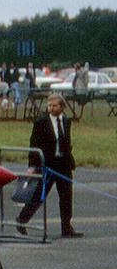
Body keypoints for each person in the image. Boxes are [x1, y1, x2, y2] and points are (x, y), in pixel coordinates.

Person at [17, 93, 81, 237]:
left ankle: (66, 227)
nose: (51, 108)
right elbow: (34, 144)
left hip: (63, 165)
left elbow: (66, 142)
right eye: (49, 105)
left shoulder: (66, 121)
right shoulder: (41, 122)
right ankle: (22, 220)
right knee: (39, 195)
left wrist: (69, 159)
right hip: (47, 164)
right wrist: (32, 165)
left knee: (66, 197)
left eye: (54, 106)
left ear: (62, 107)